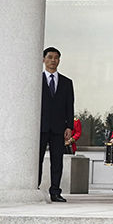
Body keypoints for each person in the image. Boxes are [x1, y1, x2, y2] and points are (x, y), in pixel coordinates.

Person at [39, 47, 75, 203]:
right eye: (50, 57)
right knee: (37, 160)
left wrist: (69, 127)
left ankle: (55, 192)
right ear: (43, 59)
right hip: (40, 128)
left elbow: (70, 106)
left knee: (57, 161)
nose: (53, 60)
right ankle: (35, 189)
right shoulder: (36, 80)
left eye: (56, 58)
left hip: (59, 128)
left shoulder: (67, 82)